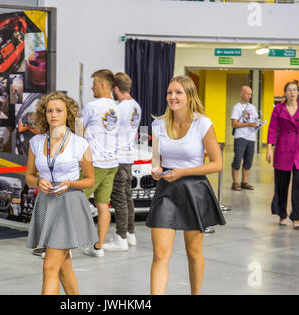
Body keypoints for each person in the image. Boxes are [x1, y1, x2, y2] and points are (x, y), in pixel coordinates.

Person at [147, 75, 225, 295]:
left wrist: (185, 172)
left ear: (190, 96)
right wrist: (155, 170)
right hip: (167, 191)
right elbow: (156, 159)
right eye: (170, 92)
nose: (173, 97)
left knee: (193, 253)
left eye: (178, 92)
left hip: (194, 190)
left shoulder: (203, 124)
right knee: (160, 254)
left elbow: (217, 164)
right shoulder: (158, 124)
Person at [25, 91, 98, 295]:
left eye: (59, 110)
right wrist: (38, 181)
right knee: (63, 265)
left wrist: (70, 183)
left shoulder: (81, 144)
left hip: (70, 204)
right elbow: (29, 176)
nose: (53, 115)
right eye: (49, 111)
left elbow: (90, 180)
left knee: (50, 266)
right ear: (44, 114)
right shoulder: (36, 142)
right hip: (46, 203)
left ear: (68, 114)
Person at [266, 81, 299, 229]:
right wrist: (269, 148)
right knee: (281, 185)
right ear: (285, 93)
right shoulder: (278, 109)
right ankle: (282, 214)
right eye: (289, 90)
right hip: (283, 148)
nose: (292, 92)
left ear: (298, 93)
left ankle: (296, 217)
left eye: (294, 90)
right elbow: (272, 129)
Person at [81, 69, 120, 257]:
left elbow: (78, 132)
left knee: (71, 202)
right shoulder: (118, 108)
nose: (92, 86)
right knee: (103, 204)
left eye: (94, 83)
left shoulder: (92, 106)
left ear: (103, 85)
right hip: (112, 163)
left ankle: (62, 248)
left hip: (93, 163)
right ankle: (99, 246)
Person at [103, 72, 142, 251]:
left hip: (118, 157)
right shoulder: (136, 106)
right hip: (128, 156)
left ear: (116, 89)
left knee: (118, 198)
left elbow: (110, 130)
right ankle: (130, 233)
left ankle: (121, 237)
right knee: (127, 197)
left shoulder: (119, 108)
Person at [230, 86, 260, 191]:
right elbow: (234, 124)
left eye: (250, 94)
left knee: (248, 161)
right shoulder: (237, 107)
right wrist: (248, 124)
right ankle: (235, 182)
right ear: (241, 94)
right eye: (247, 94)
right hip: (240, 137)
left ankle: (244, 182)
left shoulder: (253, 108)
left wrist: (258, 124)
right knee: (237, 160)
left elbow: (255, 120)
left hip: (251, 138)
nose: (249, 96)